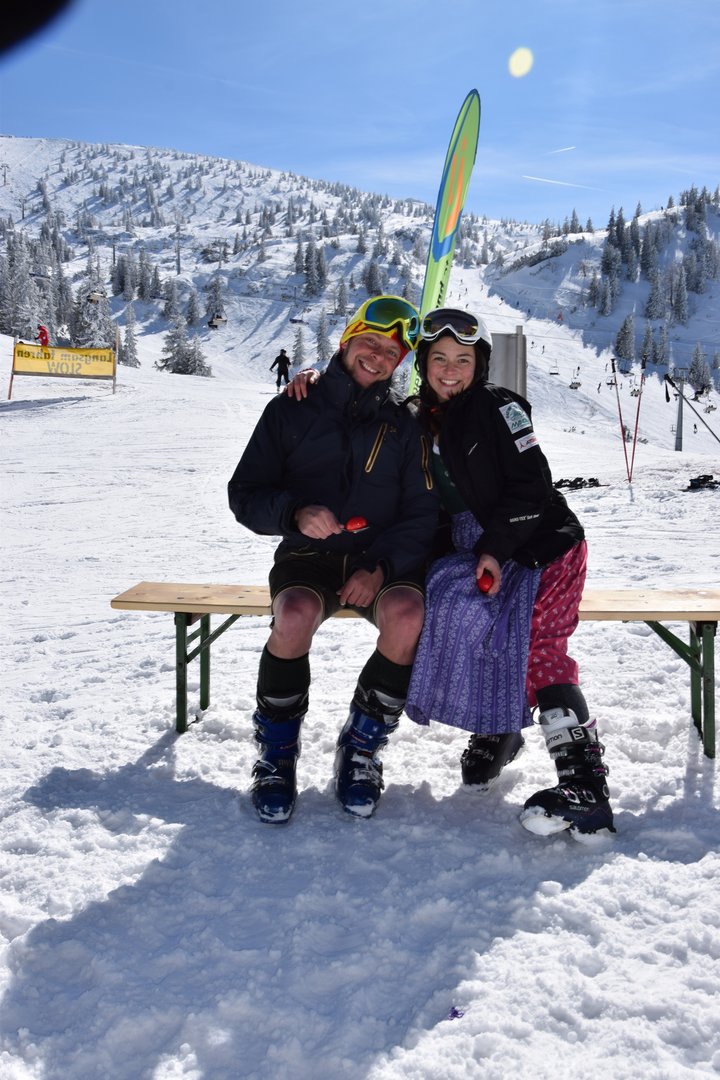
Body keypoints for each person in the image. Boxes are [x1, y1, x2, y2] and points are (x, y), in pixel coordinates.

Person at [404, 307, 614, 843]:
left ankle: (585, 788)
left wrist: (497, 549)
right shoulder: (416, 418)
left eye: (463, 360)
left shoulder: (500, 409)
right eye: (439, 358)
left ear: (479, 365)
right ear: (424, 364)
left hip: (539, 545)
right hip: (474, 548)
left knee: (536, 646)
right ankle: (498, 727)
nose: (450, 370)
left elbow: (532, 488)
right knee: (454, 609)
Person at [228, 296, 439, 824]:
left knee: (407, 616)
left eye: (391, 353)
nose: (377, 357)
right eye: (369, 342)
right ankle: (277, 754)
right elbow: (245, 495)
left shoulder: (403, 423)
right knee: (294, 613)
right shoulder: (292, 408)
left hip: (379, 560)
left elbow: (422, 511)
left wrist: (381, 568)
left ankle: (362, 745)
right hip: (307, 555)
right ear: (346, 341)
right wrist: (295, 513)